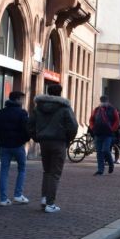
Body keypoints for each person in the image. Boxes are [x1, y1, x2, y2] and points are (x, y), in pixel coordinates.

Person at [28, 84, 78, 213]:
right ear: (60, 92)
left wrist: (37, 137)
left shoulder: (38, 107)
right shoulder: (65, 108)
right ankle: (50, 203)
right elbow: (73, 126)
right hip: (59, 142)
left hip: (44, 143)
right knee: (55, 173)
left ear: (48, 92)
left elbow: (30, 125)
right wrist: (68, 139)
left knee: (47, 171)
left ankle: (44, 198)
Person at [0, 91, 31, 206]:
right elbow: (27, 129)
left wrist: (0, 142)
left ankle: (3, 199)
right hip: (18, 146)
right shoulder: (22, 113)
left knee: (4, 171)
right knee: (22, 169)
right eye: (22, 99)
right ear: (18, 99)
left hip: (4, 146)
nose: (23, 101)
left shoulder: (1, 112)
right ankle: (18, 195)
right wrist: (24, 140)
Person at [88, 96, 120, 175]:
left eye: (104, 101)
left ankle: (111, 163)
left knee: (105, 150)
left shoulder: (112, 110)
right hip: (98, 133)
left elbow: (117, 120)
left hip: (108, 134)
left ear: (108, 101)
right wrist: (93, 127)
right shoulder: (96, 110)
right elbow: (91, 119)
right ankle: (100, 170)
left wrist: (112, 129)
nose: (103, 102)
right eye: (102, 101)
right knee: (99, 152)